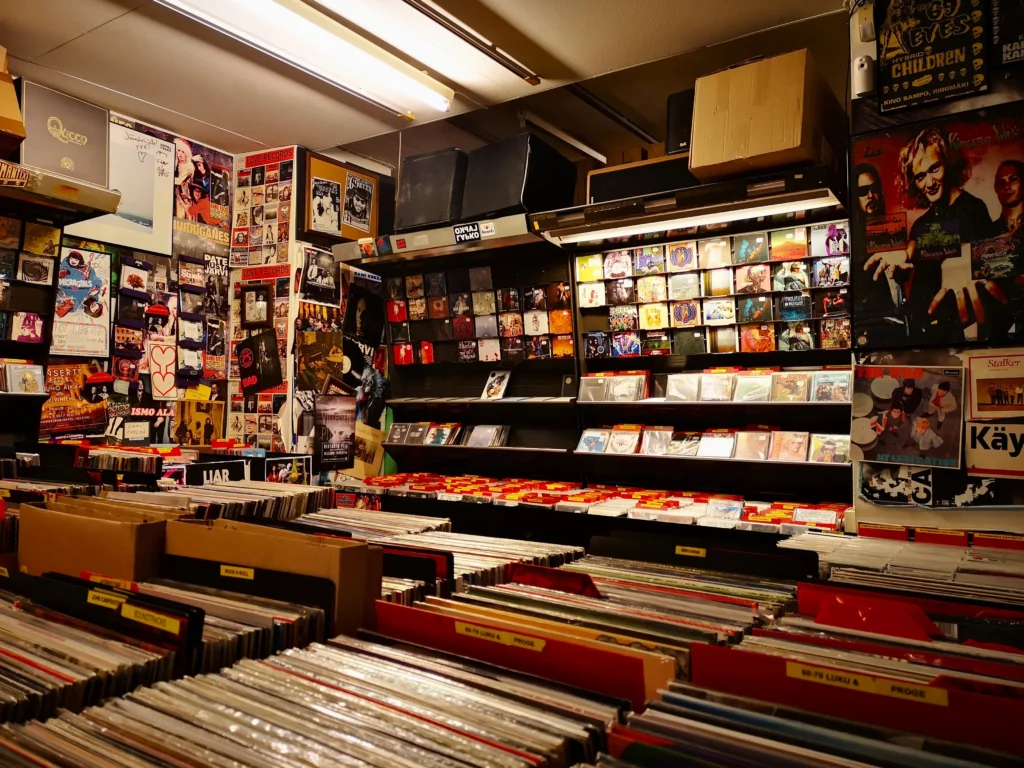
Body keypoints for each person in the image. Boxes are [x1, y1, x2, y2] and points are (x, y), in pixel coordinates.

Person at [865, 128, 997, 341]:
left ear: (948, 162)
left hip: (961, 334)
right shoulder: (921, 223)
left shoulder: (974, 208)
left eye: (934, 168)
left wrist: (972, 258)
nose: (929, 183)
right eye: (920, 176)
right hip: (921, 332)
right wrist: (903, 264)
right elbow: (916, 247)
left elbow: (996, 264)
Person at [993, 160, 1024, 236]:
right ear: (996, 189)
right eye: (1001, 183)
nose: (1007, 186)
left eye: (1013, 179)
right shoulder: (988, 231)